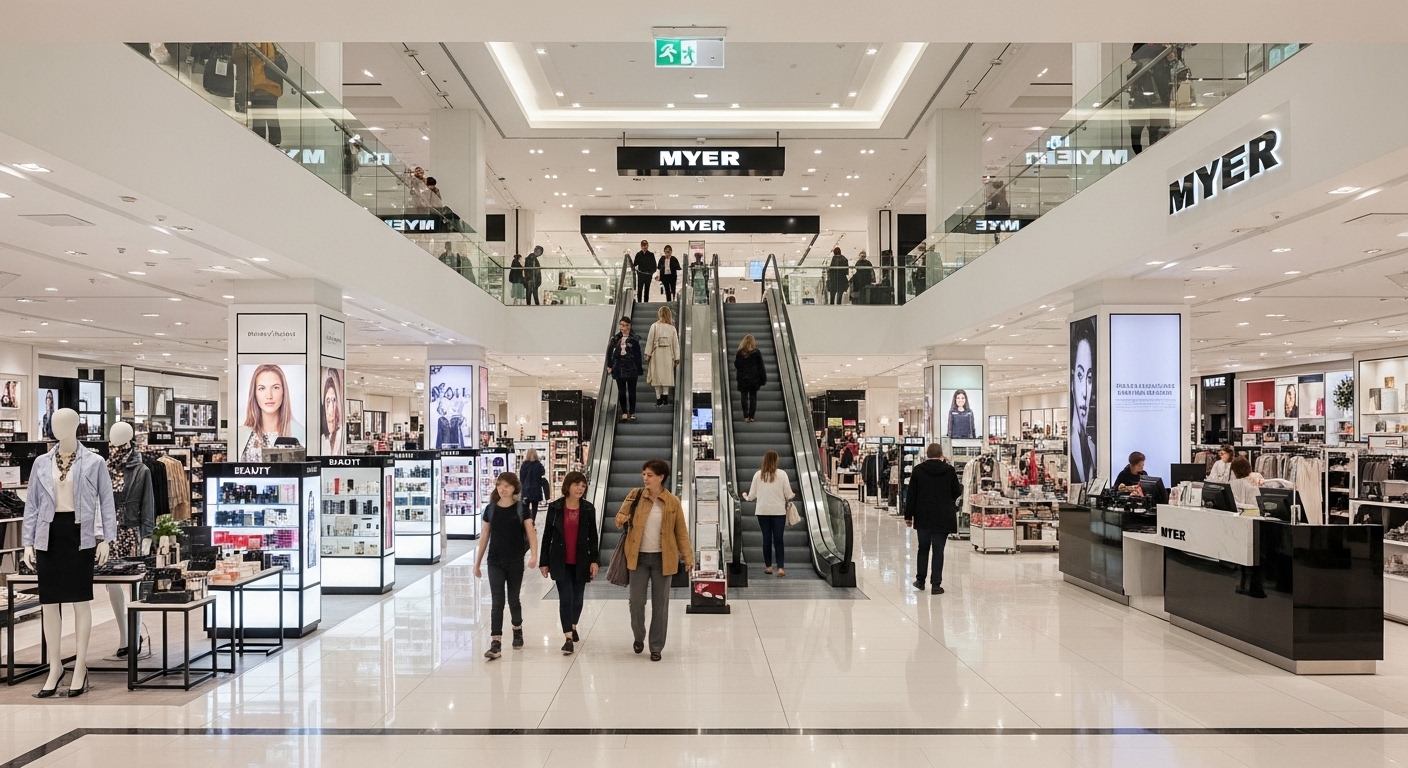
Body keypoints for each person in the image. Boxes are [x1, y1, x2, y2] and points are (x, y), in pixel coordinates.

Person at [615, 459, 692, 661]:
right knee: (636, 602)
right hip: (638, 558)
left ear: (661, 477)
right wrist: (622, 518)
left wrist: (688, 557)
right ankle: (639, 636)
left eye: (650, 475)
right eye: (644, 474)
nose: (645, 478)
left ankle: (656, 646)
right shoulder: (635, 495)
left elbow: (681, 532)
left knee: (661, 605)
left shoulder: (672, 502)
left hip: (663, 559)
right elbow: (619, 517)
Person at [473, 472, 538, 660]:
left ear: (514, 489)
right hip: (494, 560)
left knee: (513, 599)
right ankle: (496, 641)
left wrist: (534, 555)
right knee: (497, 601)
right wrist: (476, 564)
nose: (502, 489)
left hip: (515, 560)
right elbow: (484, 536)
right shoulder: (490, 510)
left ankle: (517, 629)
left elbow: (531, 533)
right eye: (499, 485)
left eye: (507, 486)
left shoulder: (521, 509)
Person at [539, 471, 599, 655]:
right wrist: (544, 562)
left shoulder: (588, 509)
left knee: (578, 599)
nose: (580, 488)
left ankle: (573, 625)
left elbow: (593, 537)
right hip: (560, 560)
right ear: (568, 486)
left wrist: (595, 561)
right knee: (566, 598)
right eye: (576, 484)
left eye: (583, 485)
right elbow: (547, 535)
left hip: (581, 560)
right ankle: (567, 638)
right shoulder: (556, 508)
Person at [904, 443, 963, 594]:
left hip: (923, 515)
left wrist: (908, 516)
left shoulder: (918, 470)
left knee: (923, 548)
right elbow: (956, 491)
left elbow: (911, 495)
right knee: (938, 549)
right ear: (941, 454)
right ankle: (936, 584)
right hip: (943, 516)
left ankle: (920, 581)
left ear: (927, 454)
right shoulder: (949, 470)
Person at [745, 450, 794, 577]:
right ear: (776, 460)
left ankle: (768, 567)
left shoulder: (758, 475)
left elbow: (751, 496)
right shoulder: (782, 474)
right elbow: (788, 494)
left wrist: (745, 496)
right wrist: (793, 495)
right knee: (778, 540)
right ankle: (781, 568)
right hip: (778, 512)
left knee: (766, 539)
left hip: (762, 512)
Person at [241, 365, 301, 461]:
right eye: (262, 388)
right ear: (254, 393)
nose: (269, 396)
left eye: (275, 388)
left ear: (283, 391)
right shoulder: (241, 436)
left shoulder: (300, 434)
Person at [1127, 44, 1177, 154]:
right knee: (1141, 131)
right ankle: (1146, 155)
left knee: (1152, 130)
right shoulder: (1141, 70)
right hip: (1144, 103)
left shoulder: (1161, 69)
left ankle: (1149, 155)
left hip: (1153, 103)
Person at [1069, 320, 1096, 484]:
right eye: (1080, 375)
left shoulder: (1093, 449)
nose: (1085, 392)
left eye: (1090, 378)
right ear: (1071, 380)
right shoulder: (1070, 449)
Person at [606, 315, 644, 421]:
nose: (624, 327)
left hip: (631, 368)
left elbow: (638, 355)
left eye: (626, 325)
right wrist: (609, 365)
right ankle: (624, 412)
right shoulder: (615, 339)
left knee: (632, 391)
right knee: (621, 391)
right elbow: (610, 353)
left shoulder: (634, 339)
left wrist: (639, 368)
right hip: (619, 368)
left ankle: (632, 412)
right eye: (622, 325)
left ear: (629, 326)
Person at [644, 305, 680, 407]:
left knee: (657, 376)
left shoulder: (654, 326)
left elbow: (650, 340)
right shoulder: (672, 328)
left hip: (657, 352)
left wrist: (648, 354)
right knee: (666, 375)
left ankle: (658, 398)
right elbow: (675, 344)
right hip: (668, 353)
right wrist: (677, 357)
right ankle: (665, 397)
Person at [735, 334, 766, 423]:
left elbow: (737, 365)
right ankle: (751, 416)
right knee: (753, 397)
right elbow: (761, 366)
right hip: (754, 379)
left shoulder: (740, 353)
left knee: (744, 397)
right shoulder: (756, 352)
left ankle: (745, 416)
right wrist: (763, 378)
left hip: (743, 379)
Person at [319, 368, 344, 455]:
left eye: (334, 401)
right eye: (328, 401)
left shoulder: (340, 436)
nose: (331, 410)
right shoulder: (321, 440)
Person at [519, 448, 548, 517]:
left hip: (526, 489)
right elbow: (542, 473)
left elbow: (521, 477)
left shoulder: (524, 465)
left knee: (525, 508)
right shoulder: (538, 465)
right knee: (535, 508)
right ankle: (532, 522)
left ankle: (526, 523)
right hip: (536, 489)